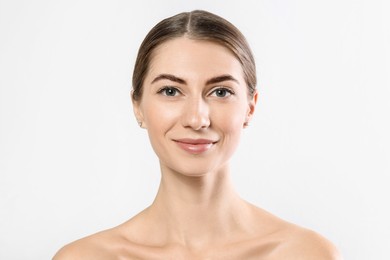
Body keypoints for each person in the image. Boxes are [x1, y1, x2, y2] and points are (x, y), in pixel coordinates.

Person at [54, 10, 342, 259]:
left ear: (250, 108)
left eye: (220, 92)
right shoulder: (84, 258)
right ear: (138, 106)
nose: (196, 119)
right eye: (170, 91)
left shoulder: (307, 255)